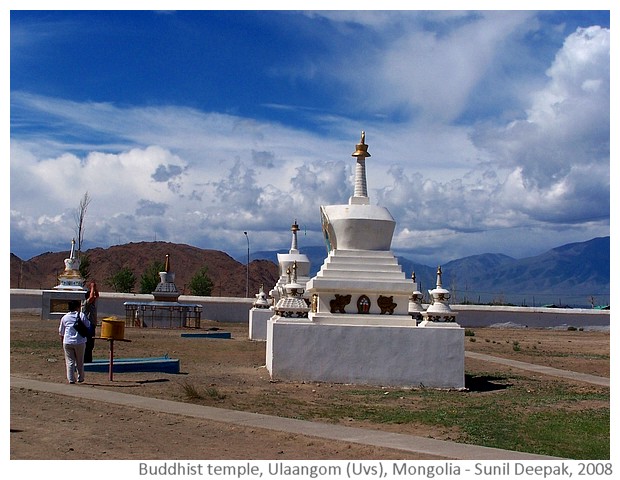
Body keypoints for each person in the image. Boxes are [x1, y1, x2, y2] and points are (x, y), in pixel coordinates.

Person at [59, 299, 91, 384]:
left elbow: (61, 332)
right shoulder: (81, 315)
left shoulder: (65, 317)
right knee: (80, 361)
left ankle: (71, 379)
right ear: (77, 307)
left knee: (70, 361)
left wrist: (62, 341)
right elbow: (88, 325)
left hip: (67, 341)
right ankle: (80, 377)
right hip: (80, 341)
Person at [82, 281, 99, 363]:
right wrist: (92, 287)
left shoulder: (92, 304)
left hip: (92, 325)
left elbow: (96, 296)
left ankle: (88, 358)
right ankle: (85, 359)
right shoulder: (85, 304)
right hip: (87, 326)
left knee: (91, 343)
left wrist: (95, 288)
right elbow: (92, 297)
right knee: (87, 343)